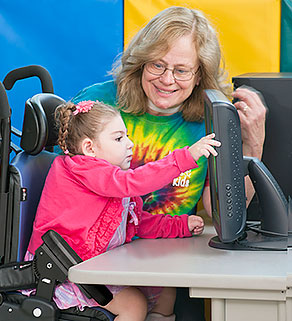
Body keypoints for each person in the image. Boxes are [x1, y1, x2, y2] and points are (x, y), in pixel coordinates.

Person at [71, 6, 267, 321]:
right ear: (141, 62)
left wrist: (252, 145)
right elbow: (64, 188)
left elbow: (223, 216)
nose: (167, 80)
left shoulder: (210, 117)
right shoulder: (98, 104)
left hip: (167, 264)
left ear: (200, 74)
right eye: (158, 65)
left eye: (181, 70)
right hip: (98, 262)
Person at [26, 100, 221, 321]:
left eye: (126, 136)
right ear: (89, 148)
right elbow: (135, 182)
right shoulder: (82, 169)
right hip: (66, 272)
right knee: (134, 306)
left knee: (165, 290)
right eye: (119, 138)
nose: (130, 144)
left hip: (95, 265)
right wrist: (186, 157)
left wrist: (179, 225)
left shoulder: (109, 179)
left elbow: (138, 222)